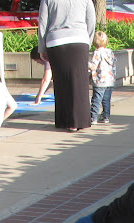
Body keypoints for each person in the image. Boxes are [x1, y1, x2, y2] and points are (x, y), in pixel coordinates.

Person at [37, 0, 96, 132]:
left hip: (55, 40)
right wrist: (88, 41)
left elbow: (43, 22)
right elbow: (91, 20)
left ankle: (65, 120)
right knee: (80, 83)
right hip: (79, 39)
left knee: (60, 82)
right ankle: (79, 120)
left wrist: (42, 47)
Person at [89, 30, 116, 124]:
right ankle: (106, 116)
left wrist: (86, 63)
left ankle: (93, 117)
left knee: (96, 99)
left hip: (99, 80)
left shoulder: (97, 53)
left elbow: (93, 66)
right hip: (110, 80)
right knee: (106, 99)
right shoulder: (110, 52)